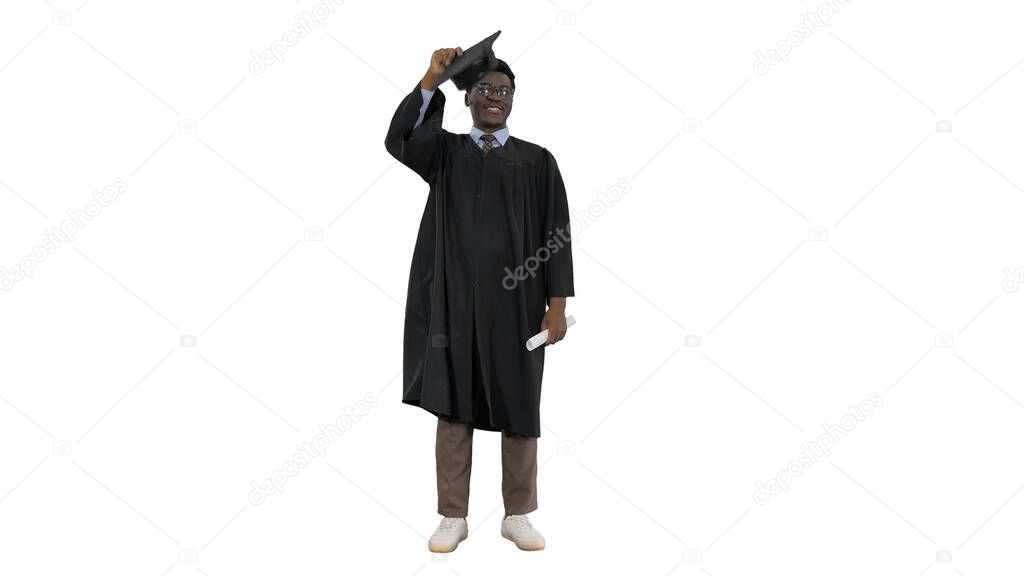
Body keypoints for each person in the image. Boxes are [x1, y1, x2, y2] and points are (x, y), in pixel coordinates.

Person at [384, 45, 575, 552]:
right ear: (468, 97)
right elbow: (400, 139)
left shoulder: (537, 161)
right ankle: (453, 516)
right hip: (453, 302)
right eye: (486, 89)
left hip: (517, 304)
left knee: (518, 403)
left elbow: (556, 233)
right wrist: (431, 78)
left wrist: (557, 304)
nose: (495, 97)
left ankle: (518, 514)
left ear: (513, 99)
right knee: (453, 403)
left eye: (504, 91)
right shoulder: (445, 154)